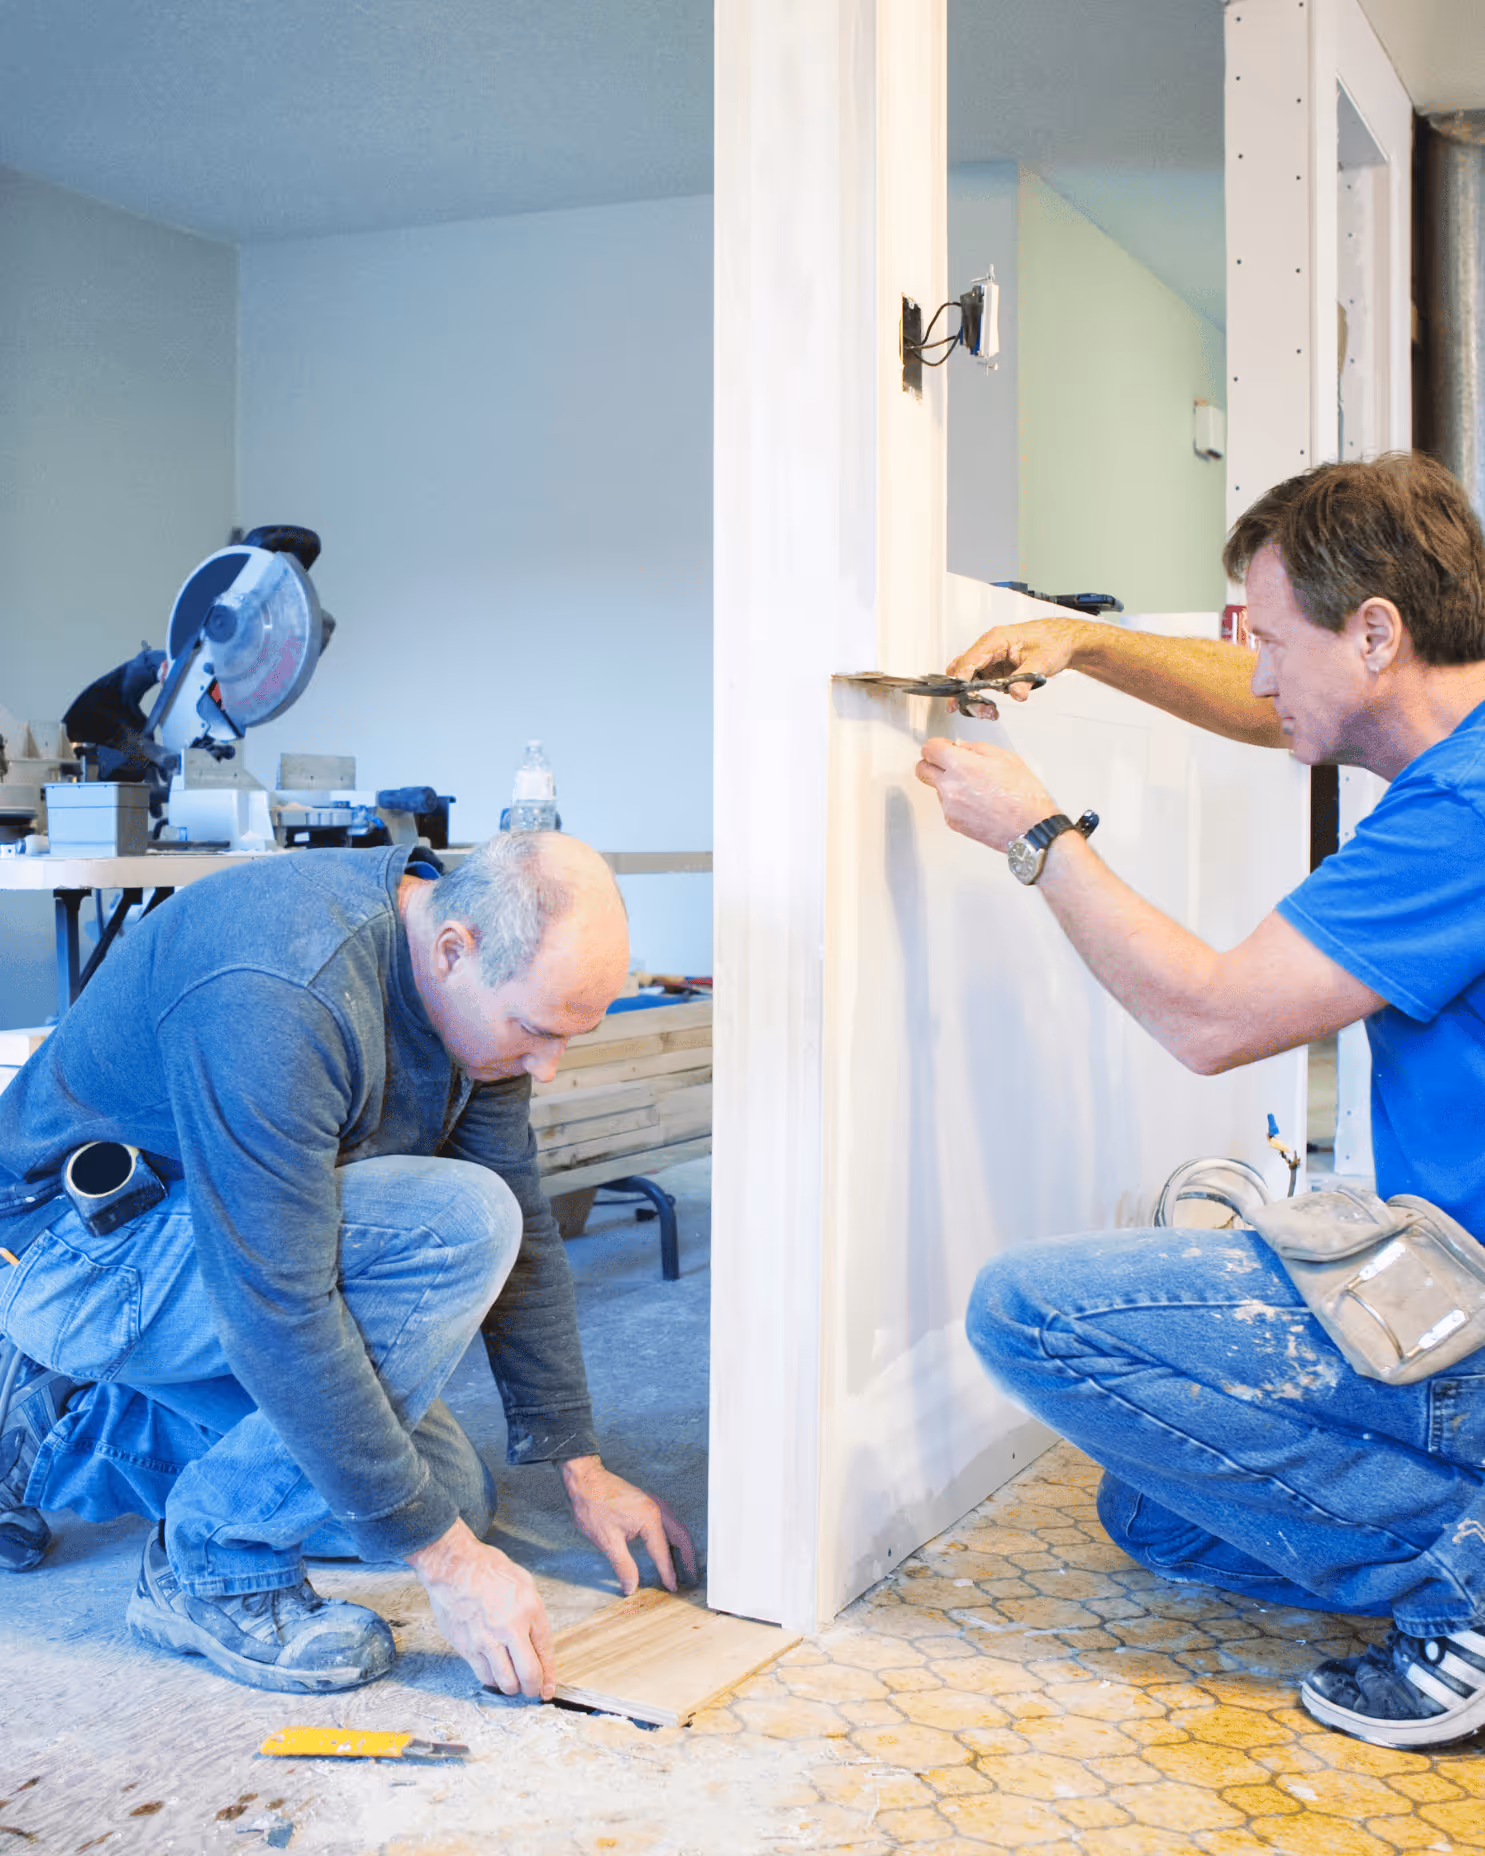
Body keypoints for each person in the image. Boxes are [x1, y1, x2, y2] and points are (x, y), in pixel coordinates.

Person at [914, 451, 1485, 1750]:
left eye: (1272, 640)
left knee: (1030, 1319)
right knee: (1153, 1512)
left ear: (1377, 633)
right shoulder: (1450, 744)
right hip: (1446, 1285)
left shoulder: (1463, 813)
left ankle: (1460, 1585)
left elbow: (1211, 1020)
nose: (1260, 672)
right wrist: (1083, 644)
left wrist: (1036, 836)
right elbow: (1282, 701)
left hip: (1469, 1320)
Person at [0, 830, 695, 1699]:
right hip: (72, 1257)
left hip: (205, 1252)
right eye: (535, 1030)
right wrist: (446, 1568)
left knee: (441, 1494)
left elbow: (527, 1236)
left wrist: (580, 1469)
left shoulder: (469, 1001)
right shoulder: (282, 988)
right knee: (456, 1225)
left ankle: (61, 1430)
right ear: (454, 948)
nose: (546, 1068)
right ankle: (214, 1565)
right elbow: (276, 1305)